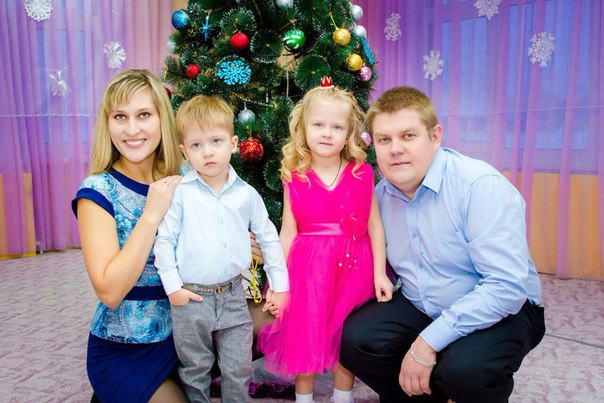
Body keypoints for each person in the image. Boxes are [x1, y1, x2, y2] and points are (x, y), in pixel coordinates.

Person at [340, 86, 546, 402]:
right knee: (356, 339)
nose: (395, 149)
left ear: (435, 136)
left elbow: (507, 287)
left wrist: (427, 343)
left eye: (408, 136)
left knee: (465, 370)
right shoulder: (379, 197)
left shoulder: (478, 186)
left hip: (502, 308)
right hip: (421, 302)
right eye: (384, 139)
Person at [257, 77, 393, 403]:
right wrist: (278, 281)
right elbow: (288, 231)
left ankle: (342, 397)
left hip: (354, 267)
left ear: (348, 133)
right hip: (308, 269)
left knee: (345, 335)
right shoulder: (295, 177)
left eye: (337, 127)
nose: (327, 133)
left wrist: (379, 274)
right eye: (318, 124)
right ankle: (303, 399)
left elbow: (375, 225)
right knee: (306, 334)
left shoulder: (361, 173)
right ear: (304, 128)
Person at [153, 94, 290, 403]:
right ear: (184, 151)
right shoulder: (180, 194)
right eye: (197, 145)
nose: (207, 152)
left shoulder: (246, 194)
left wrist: (280, 287)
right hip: (191, 298)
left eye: (216, 141)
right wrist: (173, 288)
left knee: (238, 368)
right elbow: (164, 241)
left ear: (233, 143)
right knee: (195, 369)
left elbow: (268, 238)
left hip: (232, 296)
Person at [71, 69, 186, 402]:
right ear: (107, 124)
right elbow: (109, 291)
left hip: (188, 329)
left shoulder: (185, 175)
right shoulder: (98, 191)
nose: (132, 129)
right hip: (126, 348)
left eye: (144, 115)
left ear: (161, 119)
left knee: (280, 316)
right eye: (120, 117)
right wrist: (151, 214)